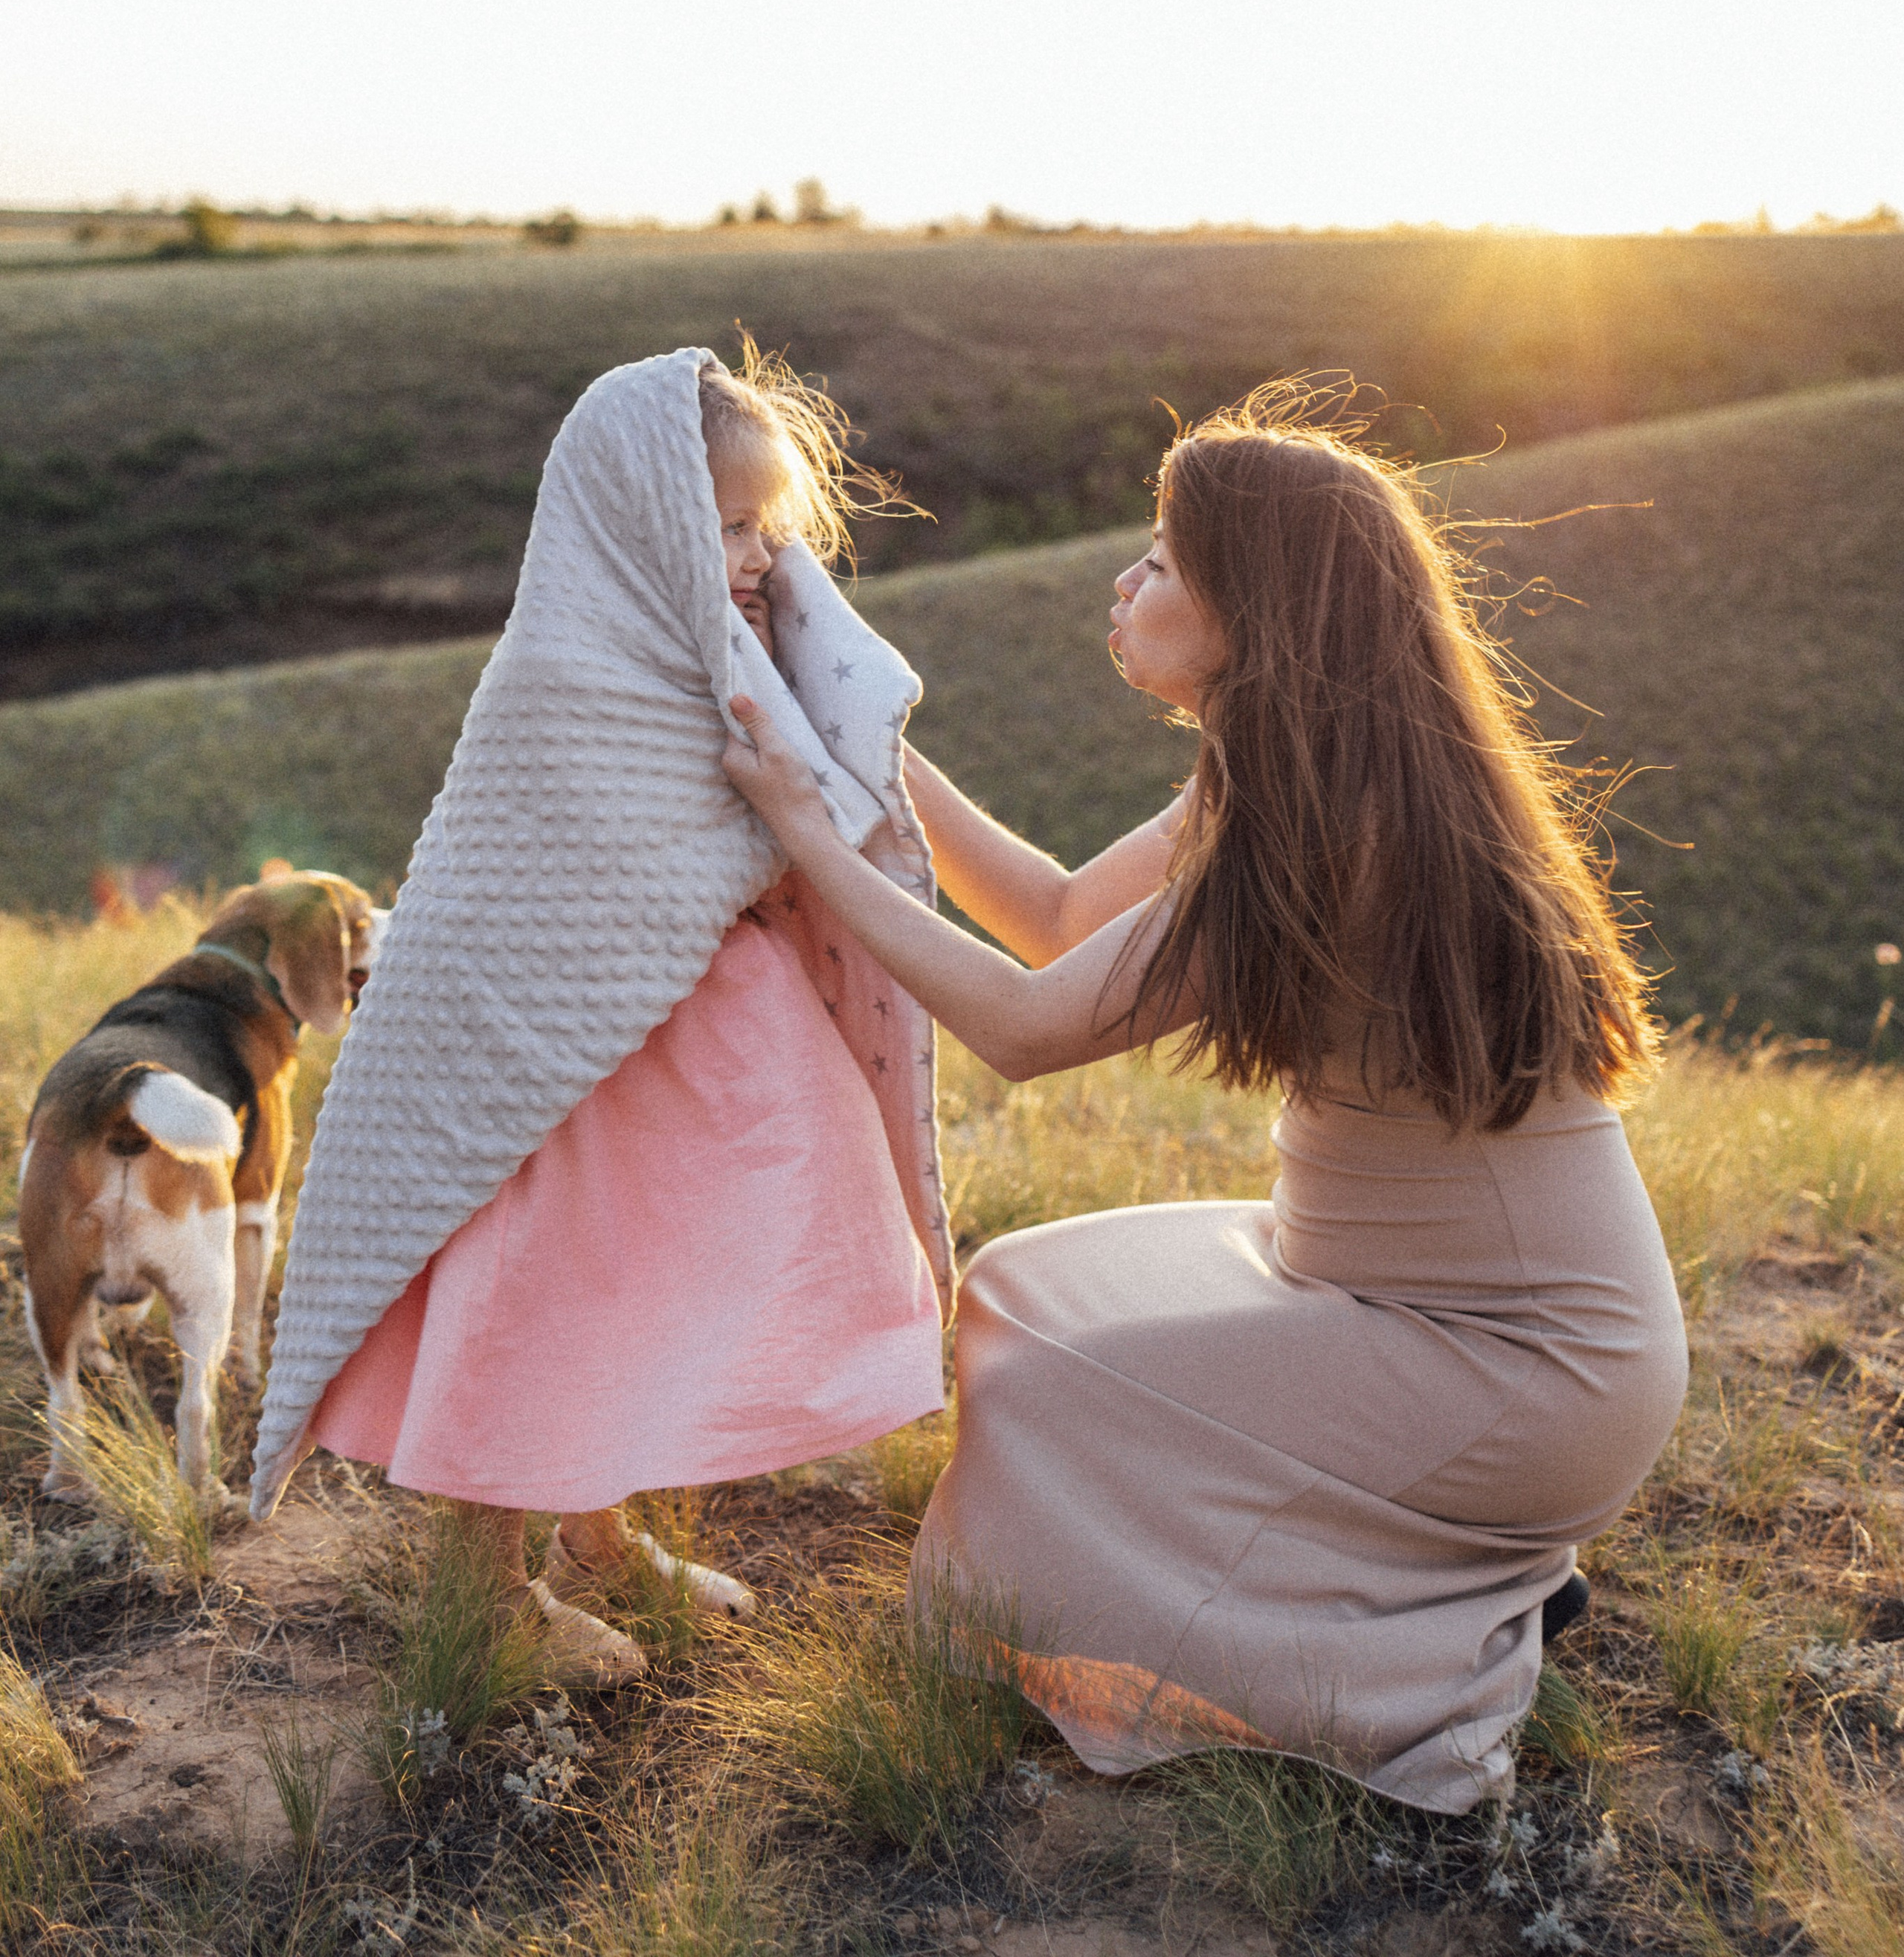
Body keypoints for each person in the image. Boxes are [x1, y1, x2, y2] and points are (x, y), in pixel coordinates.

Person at [723, 388, 1688, 1811]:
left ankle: (1429, 1660)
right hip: (1379, 1300)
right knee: (1015, 1299)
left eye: (1164, 560)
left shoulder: (1325, 828)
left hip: (1524, 1377)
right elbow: (1053, 917)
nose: (1126, 581)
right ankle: (1439, 1572)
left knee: (1051, 1397)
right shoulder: (1289, 772)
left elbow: (1025, 1023)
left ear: (1258, 608)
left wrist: (808, 830)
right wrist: (860, 743)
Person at [252, 346, 951, 1680]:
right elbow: (577, 854)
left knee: (656, 1268)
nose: (756, 555)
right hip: (550, 1045)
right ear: (642, 523)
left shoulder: (725, 643)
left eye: (768, 527)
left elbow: (803, 790)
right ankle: (485, 1587)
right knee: (541, 1283)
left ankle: (598, 1531)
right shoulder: (577, 667)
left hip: (684, 1021)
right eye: (726, 525)